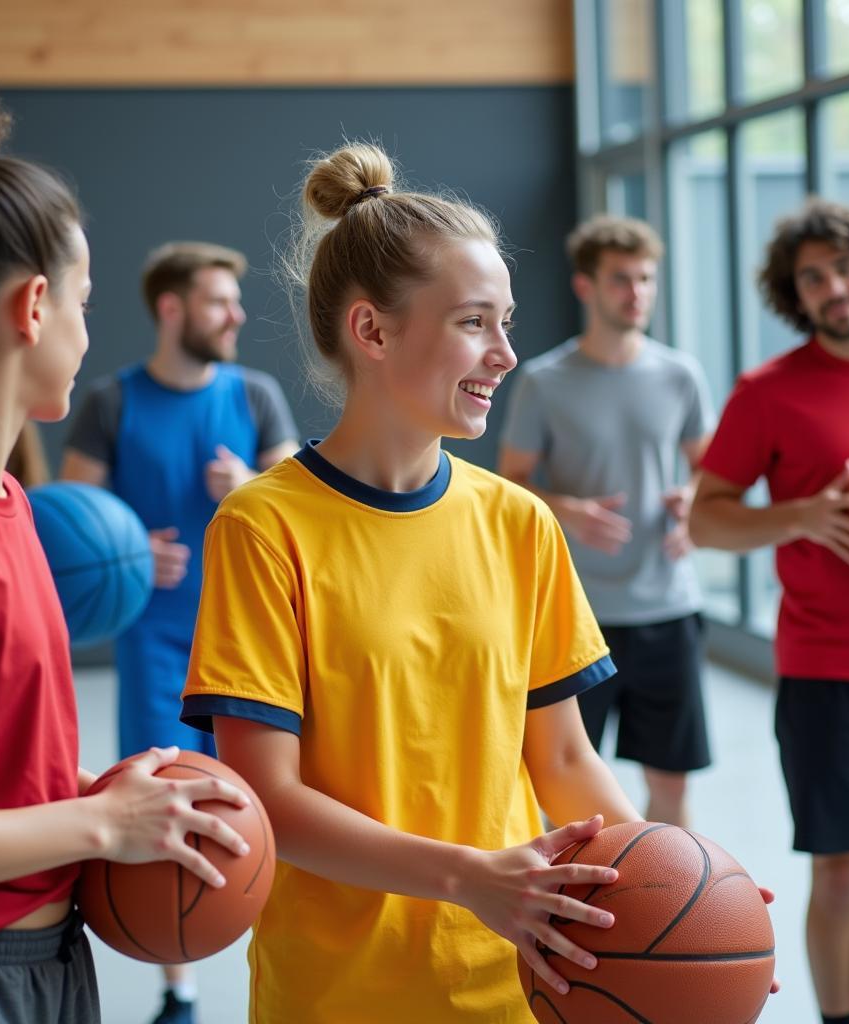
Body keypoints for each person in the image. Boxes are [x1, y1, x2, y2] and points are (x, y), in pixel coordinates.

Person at [180, 141, 645, 1024]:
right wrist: (471, 879)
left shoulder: (520, 523)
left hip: (516, 980)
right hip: (336, 997)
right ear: (374, 331)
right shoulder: (261, 526)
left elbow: (566, 759)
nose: (506, 353)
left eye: (506, 321)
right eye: (476, 321)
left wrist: (677, 891)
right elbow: (269, 796)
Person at [0, 63, 250, 1024]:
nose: (90, 335)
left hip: (48, 959)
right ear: (35, 306)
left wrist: (100, 790)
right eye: (86, 305)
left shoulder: (11, 500)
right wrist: (100, 821)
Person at [689, 197, 849, 1024]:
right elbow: (704, 518)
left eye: (844, 269)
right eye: (812, 278)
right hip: (830, 674)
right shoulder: (769, 393)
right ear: (797, 295)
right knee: (841, 873)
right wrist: (800, 516)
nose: (833, 288)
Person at [60, 240, 298, 1024]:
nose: (236, 315)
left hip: (247, 639)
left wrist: (255, 489)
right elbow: (69, 519)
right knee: (167, 805)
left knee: (267, 802)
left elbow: (307, 517)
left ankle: (280, 949)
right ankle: (179, 987)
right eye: (219, 301)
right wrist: (127, 549)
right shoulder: (110, 401)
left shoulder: (256, 395)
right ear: (172, 309)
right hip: (153, 636)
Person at [499, 214, 715, 827]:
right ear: (586, 286)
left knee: (670, 788)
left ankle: (673, 906)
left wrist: (690, 500)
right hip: (575, 615)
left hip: (668, 608)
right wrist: (568, 510)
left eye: (646, 278)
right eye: (622, 279)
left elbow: (709, 471)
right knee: (562, 789)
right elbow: (510, 485)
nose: (637, 292)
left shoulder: (680, 374)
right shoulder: (544, 380)